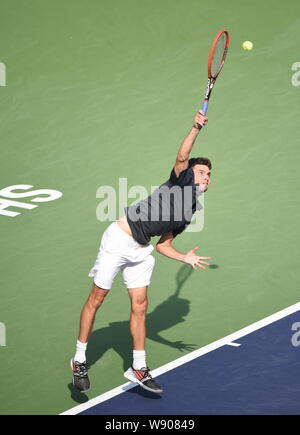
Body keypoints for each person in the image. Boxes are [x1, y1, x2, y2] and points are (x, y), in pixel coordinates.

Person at [71, 110, 212, 394]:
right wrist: (195, 127)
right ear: (188, 175)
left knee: (141, 306)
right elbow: (183, 156)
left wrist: (184, 257)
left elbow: (162, 245)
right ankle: (79, 359)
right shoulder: (180, 179)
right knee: (97, 299)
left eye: (209, 174)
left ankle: (138, 366)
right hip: (118, 240)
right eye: (201, 172)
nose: (206, 177)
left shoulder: (192, 210)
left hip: (141, 250)